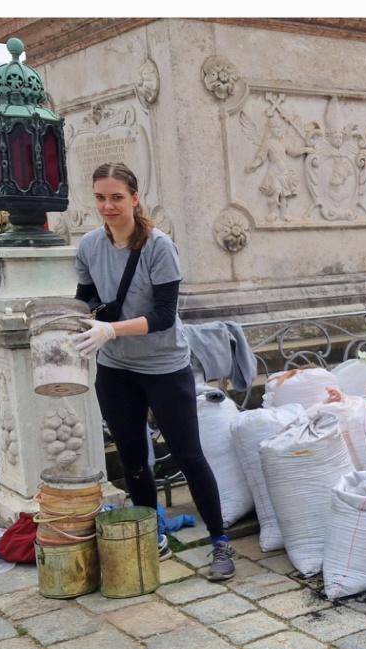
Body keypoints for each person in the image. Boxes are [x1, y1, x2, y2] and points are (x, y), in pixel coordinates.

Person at [72, 162, 235, 581]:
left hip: (164, 365)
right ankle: (151, 535)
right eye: (100, 198)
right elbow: (86, 299)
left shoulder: (159, 247)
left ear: (135, 197)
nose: (107, 206)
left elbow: (164, 316)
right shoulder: (89, 246)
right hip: (115, 368)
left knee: (188, 454)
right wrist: (70, 321)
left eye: (116, 198)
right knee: (133, 460)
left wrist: (110, 328)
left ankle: (220, 543)